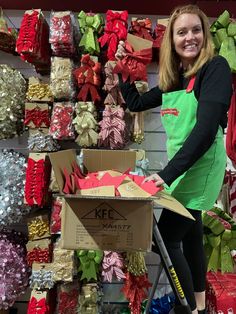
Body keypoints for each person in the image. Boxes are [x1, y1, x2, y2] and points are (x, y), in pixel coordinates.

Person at [116, 4, 232, 314]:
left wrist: (166, 175)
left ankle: (186, 308)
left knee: (165, 240)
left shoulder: (214, 69)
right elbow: (137, 102)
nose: (190, 37)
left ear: (205, 35)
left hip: (201, 165)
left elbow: (206, 131)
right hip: (182, 168)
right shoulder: (174, 78)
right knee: (191, 234)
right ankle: (200, 306)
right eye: (182, 32)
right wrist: (123, 73)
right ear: (172, 40)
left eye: (196, 30)